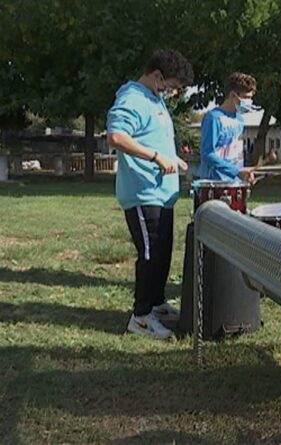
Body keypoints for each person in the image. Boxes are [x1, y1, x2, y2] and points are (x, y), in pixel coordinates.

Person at [106, 49, 194, 339]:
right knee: (150, 255)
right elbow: (116, 136)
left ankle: (156, 304)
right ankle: (141, 317)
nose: (174, 92)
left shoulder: (155, 99)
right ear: (157, 76)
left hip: (162, 194)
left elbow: (150, 136)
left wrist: (173, 158)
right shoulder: (132, 98)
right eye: (172, 86)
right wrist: (156, 156)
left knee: (162, 254)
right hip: (143, 193)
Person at [199, 72, 258, 184]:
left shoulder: (240, 120)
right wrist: (235, 171)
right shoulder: (213, 118)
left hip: (235, 183)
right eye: (246, 97)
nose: (249, 102)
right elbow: (207, 153)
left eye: (251, 98)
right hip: (214, 183)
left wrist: (243, 173)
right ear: (232, 95)